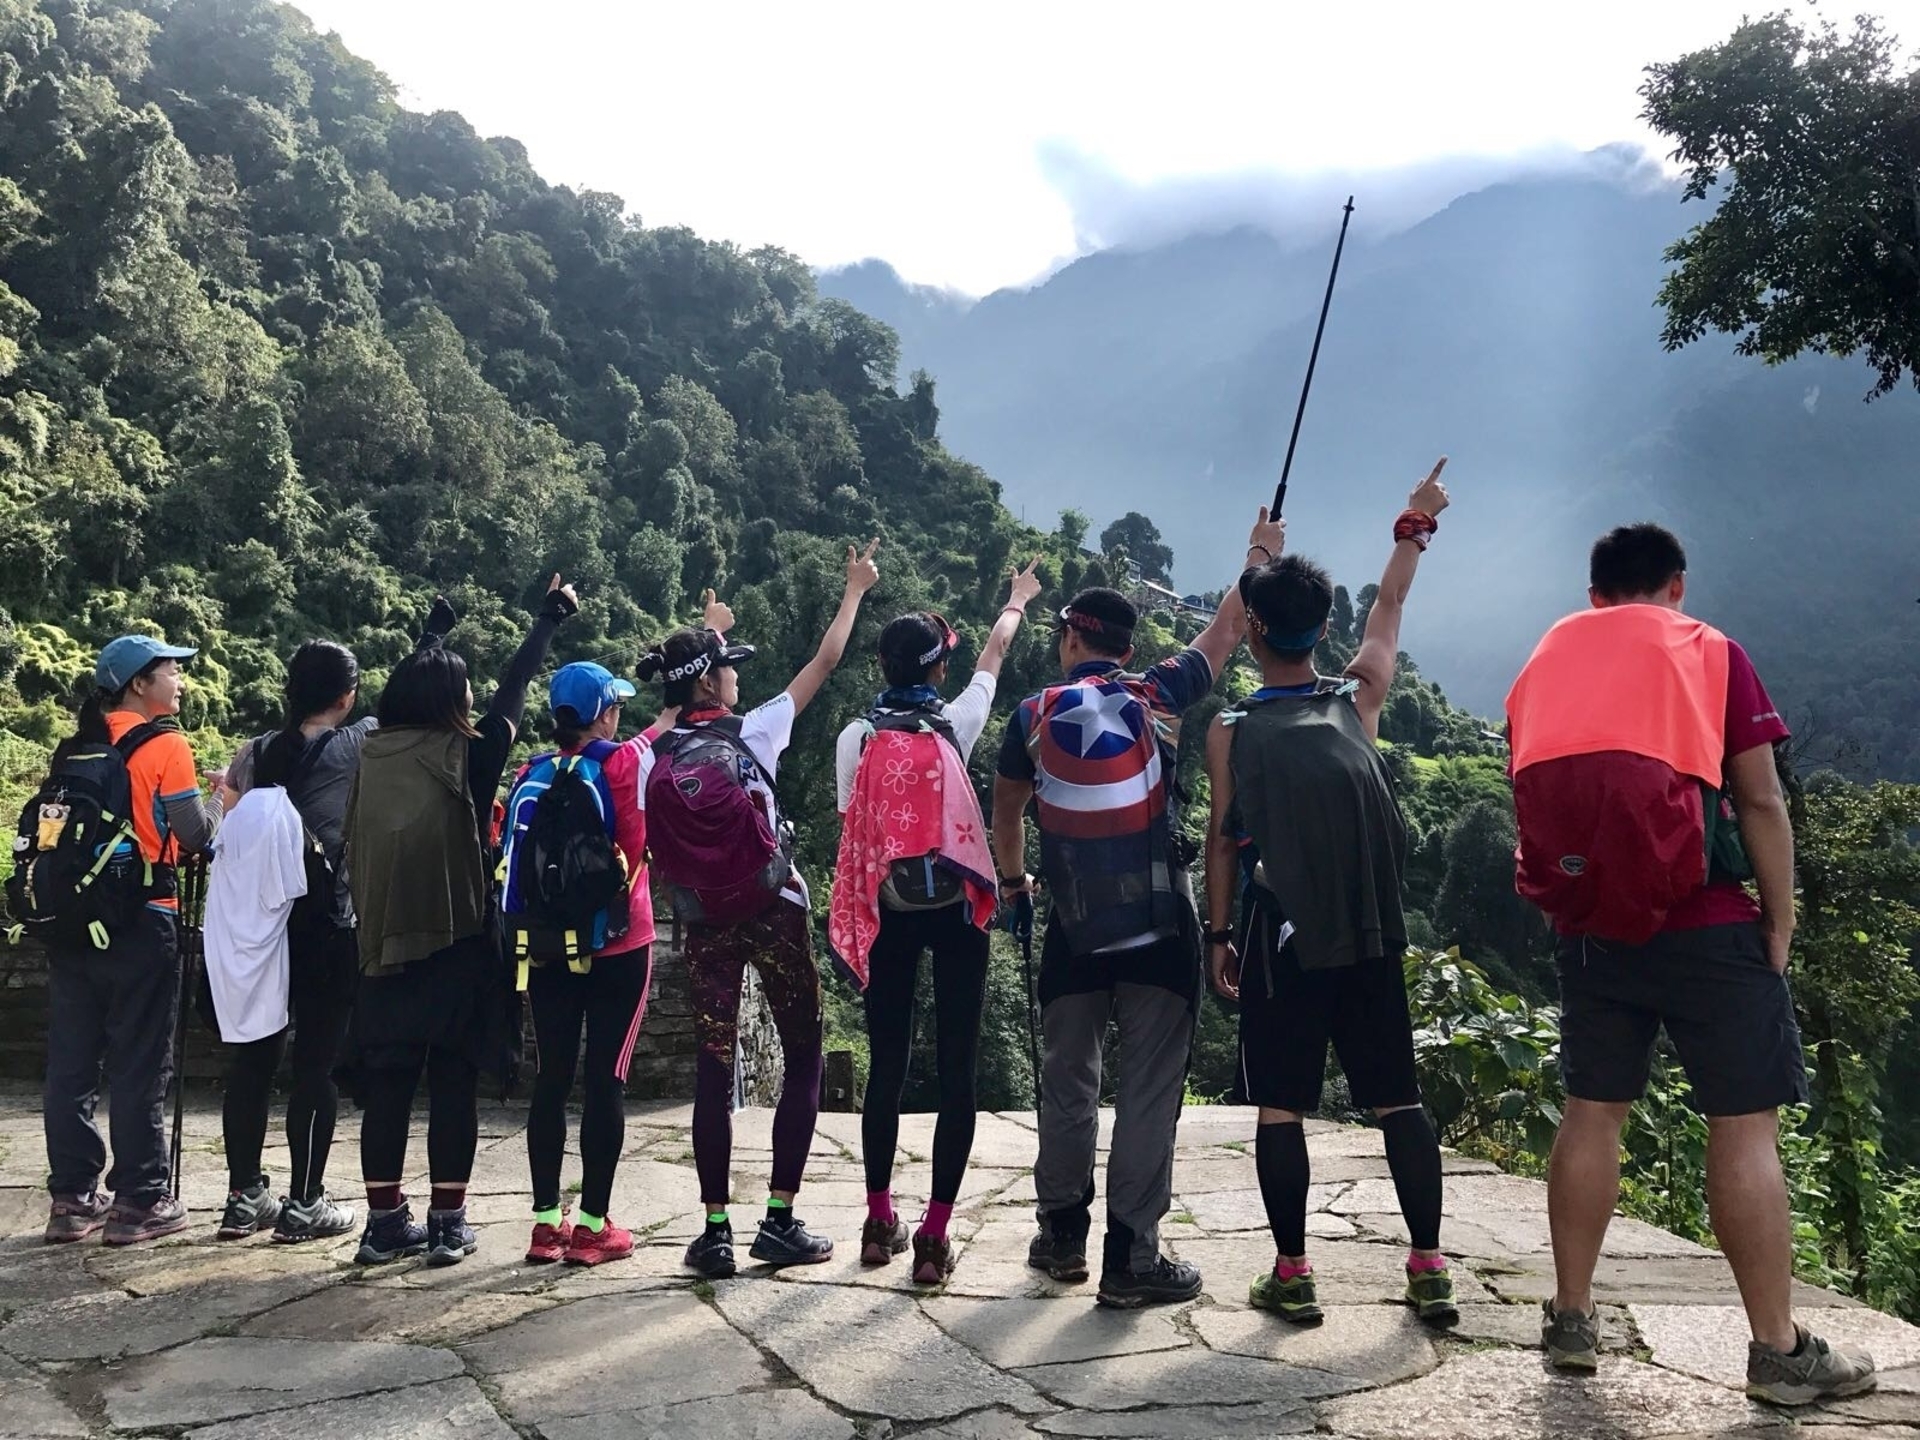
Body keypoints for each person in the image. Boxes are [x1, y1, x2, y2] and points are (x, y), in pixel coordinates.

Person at [1508, 523, 1876, 1405]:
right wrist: (1779, 919)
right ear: (1676, 586)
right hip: (1709, 923)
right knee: (1743, 1129)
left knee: (1592, 1113)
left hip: (1594, 928)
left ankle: (1571, 1316)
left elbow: (1535, 793)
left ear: (1595, 595)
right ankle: (1778, 1352)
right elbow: (1761, 798)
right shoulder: (1711, 650)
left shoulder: (1547, 656)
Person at [991, 508, 1280, 1309]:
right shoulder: (1160, 694)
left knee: (1068, 1080)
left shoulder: (1032, 715)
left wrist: (1015, 887)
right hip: (1160, 922)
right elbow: (1226, 632)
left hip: (1073, 925)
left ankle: (1061, 1236)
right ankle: (1131, 1259)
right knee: (1149, 1090)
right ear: (1125, 645)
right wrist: (1259, 555)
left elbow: (1007, 812)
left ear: (1070, 639)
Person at [1203, 462, 1459, 1329]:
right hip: (1370, 927)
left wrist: (1217, 935)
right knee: (1398, 1099)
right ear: (1321, 629)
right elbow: (1389, 607)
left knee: (1282, 1104)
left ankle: (1293, 1273)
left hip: (1284, 933)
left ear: (1256, 632)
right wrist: (1414, 523)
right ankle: (1429, 1268)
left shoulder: (1233, 727)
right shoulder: (1358, 701)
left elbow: (1224, 839)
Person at [643, 541, 880, 1280]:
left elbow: (668, 707)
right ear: (711, 680)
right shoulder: (756, 730)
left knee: (713, 1064)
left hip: (705, 921)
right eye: (729, 665)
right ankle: (778, 1221)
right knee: (804, 1053)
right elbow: (826, 661)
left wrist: (705, 636)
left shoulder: (653, 754)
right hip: (775, 905)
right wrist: (854, 590)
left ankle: (714, 1231)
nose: (738, 674)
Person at [344, 576, 576, 1266]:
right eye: (463, 691)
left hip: (382, 945)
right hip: (459, 943)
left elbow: (409, 697)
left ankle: (383, 1224)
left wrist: (432, 637)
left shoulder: (370, 755)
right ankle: (448, 1223)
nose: (474, 699)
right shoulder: (466, 757)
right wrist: (549, 618)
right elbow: (513, 691)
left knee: (388, 1088)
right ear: (450, 702)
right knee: (453, 1081)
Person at [831, 560, 1043, 1284]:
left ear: (882, 667)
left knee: (887, 1064)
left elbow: (855, 824)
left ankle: (877, 1220)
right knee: (958, 1070)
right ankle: (933, 1237)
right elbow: (996, 653)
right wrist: (1015, 599)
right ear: (937, 668)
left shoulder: (857, 737)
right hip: (956, 913)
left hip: (888, 911)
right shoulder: (957, 723)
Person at [514, 591, 728, 1268]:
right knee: (606, 1080)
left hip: (544, 947)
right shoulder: (625, 762)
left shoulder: (530, 774)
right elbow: (665, 728)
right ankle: (591, 1228)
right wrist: (707, 646)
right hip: (618, 942)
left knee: (551, 1079)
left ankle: (544, 1226)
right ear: (604, 712)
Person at [42, 637, 230, 1245]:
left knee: (72, 1061)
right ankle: (140, 1199)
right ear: (139, 684)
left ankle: (71, 1199)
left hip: (74, 924)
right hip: (143, 921)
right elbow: (194, 835)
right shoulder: (166, 745)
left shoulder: (74, 750)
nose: (180, 680)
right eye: (171, 670)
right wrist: (224, 796)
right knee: (140, 1060)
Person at [212, 641, 372, 1244]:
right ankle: (305, 1202)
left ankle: (244, 1197)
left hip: (261, 926)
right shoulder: (357, 744)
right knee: (315, 1066)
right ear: (346, 696)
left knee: (252, 1060)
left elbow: (226, 818)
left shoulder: (252, 753)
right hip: (325, 924)